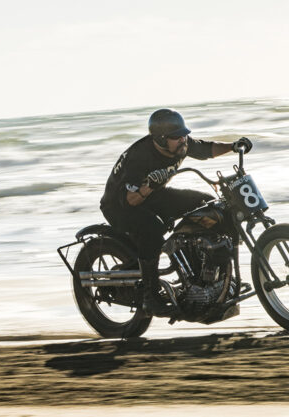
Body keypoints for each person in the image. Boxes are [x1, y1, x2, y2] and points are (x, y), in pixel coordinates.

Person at [100, 108, 252, 317]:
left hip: (152, 195)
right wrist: (150, 185)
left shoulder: (182, 145)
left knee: (206, 203)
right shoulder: (139, 157)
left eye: (184, 134)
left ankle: (203, 275)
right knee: (152, 231)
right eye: (176, 137)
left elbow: (206, 149)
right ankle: (150, 297)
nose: (183, 140)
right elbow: (130, 200)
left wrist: (234, 146)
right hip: (120, 206)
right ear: (161, 140)